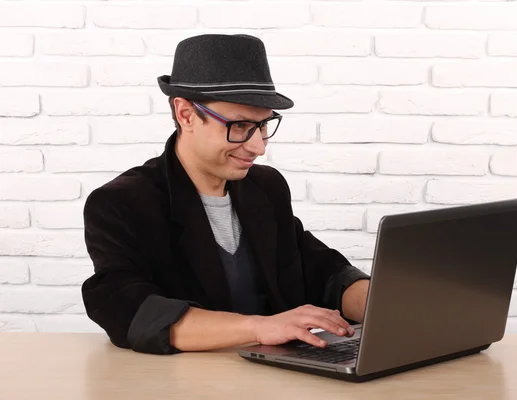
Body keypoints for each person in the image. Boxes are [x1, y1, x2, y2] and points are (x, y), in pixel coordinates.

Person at [81, 34, 370, 355]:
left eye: (263, 126)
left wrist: (385, 302)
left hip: (276, 375)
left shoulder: (267, 187)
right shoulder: (122, 203)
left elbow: (318, 269)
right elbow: (130, 309)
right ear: (186, 114)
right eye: (240, 126)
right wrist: (260, 326)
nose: (258, 146)